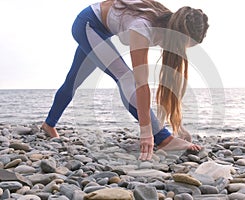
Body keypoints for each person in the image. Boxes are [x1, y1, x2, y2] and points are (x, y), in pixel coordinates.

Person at [42, 0, 209, 160]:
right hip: (89, 25)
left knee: (73, 80)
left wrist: (178, 125)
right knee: (125, 77)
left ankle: (49, 124)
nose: (181, 51)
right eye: (183, 45)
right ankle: (163, 138)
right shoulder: (142, 27)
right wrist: (146, 132)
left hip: (100, 30)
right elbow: (140, 83)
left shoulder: (166, 21)